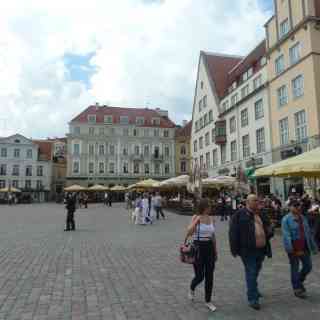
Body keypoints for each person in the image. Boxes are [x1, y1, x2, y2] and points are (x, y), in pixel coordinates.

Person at [229, 194, 273, 310]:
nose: (257, 202)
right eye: (255, 200)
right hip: (248, 250)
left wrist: (270, 230)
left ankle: (254, 289)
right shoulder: (239, 215)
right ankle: (253, 298)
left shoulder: (261, 213)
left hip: (261, 248)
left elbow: (268, 227)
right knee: (251, 272)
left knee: (256, 270)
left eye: (258, 200)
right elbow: (233, 233)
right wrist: (234, 249)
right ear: (248, 202)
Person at [184, 198, 217, 312]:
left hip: (209, 248)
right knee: (199, 276)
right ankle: (192, 288)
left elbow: (213, 235)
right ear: (204, 207)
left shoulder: (211, 218)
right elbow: (188, 233)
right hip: (198, 248)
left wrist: (215, 250)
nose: (211, 208)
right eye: (209, 206)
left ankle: (208, 301)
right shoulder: (195, 217)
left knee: (210, 275)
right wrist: (196, 221)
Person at [281, 199, 318, 298]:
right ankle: (297, 288)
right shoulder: (286, 219)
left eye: (298, 205)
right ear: (290, 207)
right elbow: (286, 235)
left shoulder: (303, 218)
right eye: (295, 205)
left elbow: (308, 233)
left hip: (305, 246)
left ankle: (299, 280)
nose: (298, 207)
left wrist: (314, 247)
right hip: (294, 247)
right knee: (295, 267)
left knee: (308, 266)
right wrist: (290, 248)